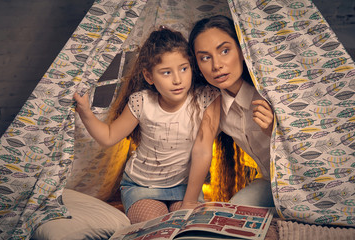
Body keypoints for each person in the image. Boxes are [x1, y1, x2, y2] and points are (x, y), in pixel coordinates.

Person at [74, 27, 220, 224]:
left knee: (189, 228)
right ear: (149, 76)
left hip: (186, 187)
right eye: (166, 72)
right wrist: (85, 112)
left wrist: (190, 201)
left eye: (184, 69)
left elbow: (203, 151)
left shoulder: (206, 98)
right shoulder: (141, 102)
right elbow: (108, 137)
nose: (178, 80)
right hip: (142, 186)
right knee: (156, 228)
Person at [188, 15, 275, 207]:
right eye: (205, 58)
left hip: (298, 181)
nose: (216, 65)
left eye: (225, 51)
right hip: (269, 182)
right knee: (235, 210)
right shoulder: (212, 104)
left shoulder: (271, 94)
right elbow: (195, 149)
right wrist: (192, 203)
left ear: (243, 51)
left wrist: (275, 131)